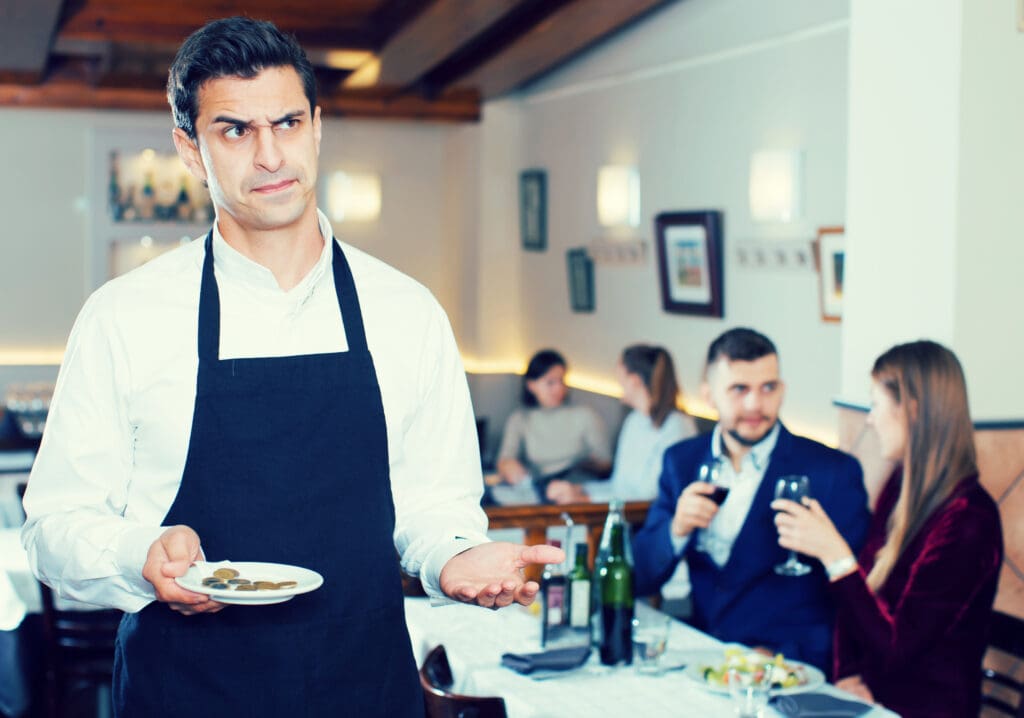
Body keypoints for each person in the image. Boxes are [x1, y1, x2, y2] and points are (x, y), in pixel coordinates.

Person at [20, 17, 560, 717]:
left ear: (317, 127)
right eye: (235, 131)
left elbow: (432, 506)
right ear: (190, 148)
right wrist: (138, 553)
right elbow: (53, 528)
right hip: (185, 691)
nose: (271, 154)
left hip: (363, 686)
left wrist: (452, 557)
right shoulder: (125, 316)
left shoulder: (407, 311)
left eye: (287, 122)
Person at [773, 340, 1002, 717]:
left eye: (876, 404)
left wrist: (836, 557)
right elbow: (862, 597)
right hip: (870, 700)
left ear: (911, 410)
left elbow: (897, 646)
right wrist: (847, 675)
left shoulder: (968, 519)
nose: (869, 418)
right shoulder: (900, 486)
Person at [632, 328, 870, 671]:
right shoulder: (680, 461)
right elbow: (641, 575)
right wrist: (676, 529)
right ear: (709, 395)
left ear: (782, 390)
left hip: (792, 665)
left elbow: (857, 595)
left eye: (768, 388)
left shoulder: (833, 472)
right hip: (703, 657)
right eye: (739, 389)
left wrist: (793, 657)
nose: (755, 404)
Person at [546, 344, 697, 504]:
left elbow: (650, 497)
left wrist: (585, 499)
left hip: (644, 520)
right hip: (617, 510)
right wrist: (577, 489)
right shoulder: (634, 421)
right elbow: (618, 487)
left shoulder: (678, 428)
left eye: (620, 375)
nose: (617, 382)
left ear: (634, 381)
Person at [494, 349, 612, 492]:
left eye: (562, 381)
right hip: (540, 488)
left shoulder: (585, 416)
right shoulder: (520, 419)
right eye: (550, 383)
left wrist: (587, 465)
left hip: (576, 488)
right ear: (531, 385)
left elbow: (606, 464)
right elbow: (505, 459)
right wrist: (509, 467)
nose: (559, 389)